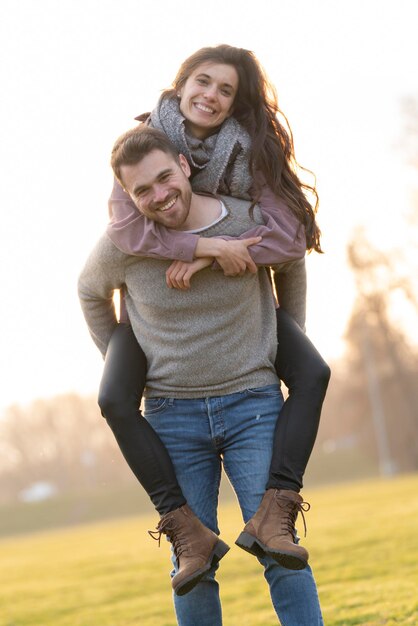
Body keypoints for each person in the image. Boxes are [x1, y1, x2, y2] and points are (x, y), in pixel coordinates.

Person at [98, 42, 330, 582]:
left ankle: (277, 508)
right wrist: (201, 249)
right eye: (203, 82)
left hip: (243, 320)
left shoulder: (252, 154)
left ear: (235, 102)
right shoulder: (142, 148)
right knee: (112, 398)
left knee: (314, 370)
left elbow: (290, 239)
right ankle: (180, 523)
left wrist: (226, 259)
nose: (211, 95)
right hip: (157, 323)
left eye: (226, 90)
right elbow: (128, 231)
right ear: (180, 85)